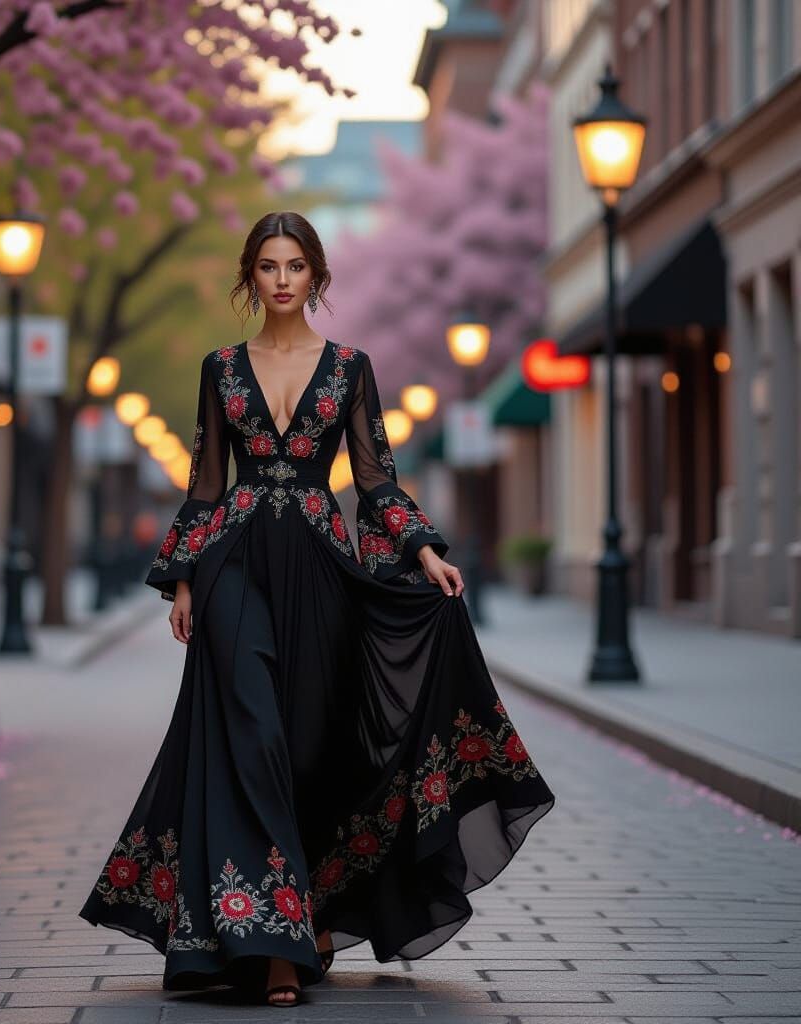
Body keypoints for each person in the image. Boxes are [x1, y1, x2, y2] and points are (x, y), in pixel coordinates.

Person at [78, 211, 556, 1008]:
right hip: (234, 563)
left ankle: (312, 907)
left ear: (317, 276)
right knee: (253, 733)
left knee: (307, 748)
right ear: (250, 277)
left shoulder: (350, 369)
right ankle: (270, 946)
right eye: (267, 266)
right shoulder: (222, 368)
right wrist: (186, 579)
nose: (282, 279)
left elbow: (374, 481)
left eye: (295, 265)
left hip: (322, 567)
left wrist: (425, 551)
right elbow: (205, 482)